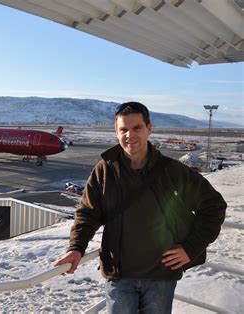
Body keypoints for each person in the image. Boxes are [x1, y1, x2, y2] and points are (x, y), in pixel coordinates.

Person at [55, 102, 226, 314]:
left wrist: (190, 248)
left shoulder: (172, 172)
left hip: (160, 277)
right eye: (123, 130)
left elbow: (214, 207)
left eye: (136, 128)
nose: (130, 135)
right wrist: (76, 248)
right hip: (119, 276)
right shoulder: (104, 171)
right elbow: (87, 214)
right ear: (116, 132)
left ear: (149, 128)